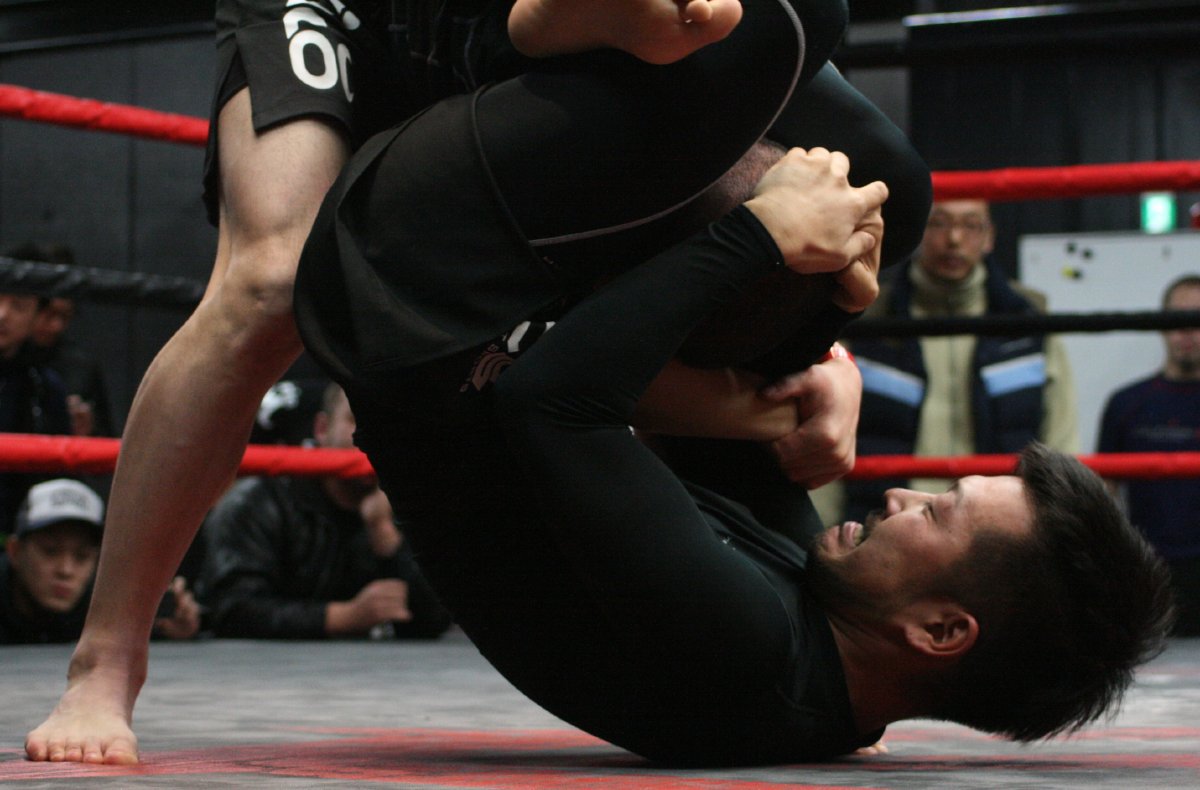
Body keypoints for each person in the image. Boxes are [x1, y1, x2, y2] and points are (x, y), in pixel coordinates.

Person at [28, 0, 931, 764]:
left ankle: (547, 34)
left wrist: (813, 363)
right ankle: (107, 660)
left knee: (883, 176)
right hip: (371, 15)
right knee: (271, 281)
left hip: (514, 91)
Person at [293, 135, 1172, 764]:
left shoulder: (749, 652)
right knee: (886, 189)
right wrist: (833, 358)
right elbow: (761, 408)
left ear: (938, 630)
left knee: (768, 63)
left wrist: (765, 233)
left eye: (937, 513)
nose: (899, 498)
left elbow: (553, 402)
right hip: (481, 322)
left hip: (406, 299)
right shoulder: (836, 649)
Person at [839, 198, 1079, 523]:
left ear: (989, 236)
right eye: (938, 223)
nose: (954, 239)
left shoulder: (1028, 321)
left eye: (970, 225)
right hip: (892, 519)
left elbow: (1062, 438)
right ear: (918, 231)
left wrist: (1053, 524)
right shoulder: (867, 320)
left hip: (996, 525)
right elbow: (832, 431)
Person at [198, 382, 451, 639]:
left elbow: (441, 617)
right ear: (322, 428)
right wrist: (343, 616)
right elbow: (230, 608)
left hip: (378, 664)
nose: (374, 434)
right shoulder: (262, 500)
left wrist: (385, 534)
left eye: (387, 425)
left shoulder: (407, 505)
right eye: (357, 419)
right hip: (262, 663)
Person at [1098, 274, 1200, 636]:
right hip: (1148, 572)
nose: (1187, 330)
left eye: (1197, 318)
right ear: (1160, 323)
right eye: (1177, 317)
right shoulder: (1127, 403)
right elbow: (1104, 493)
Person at [1, 479, 199, 644]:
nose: (66, 570)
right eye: (50, 551)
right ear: (15, 551)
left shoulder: (115, 605)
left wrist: (177, 634)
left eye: (82, 556)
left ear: (97, 560)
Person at [4, 241, 116, 438]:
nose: (55, 325)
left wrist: (85, 433)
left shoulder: (53, 379)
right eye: (50, 314)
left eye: (65, 316)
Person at [0, 279, 71, 537]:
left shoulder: (44, 385)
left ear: (37, 318)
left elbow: (58, 476)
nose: (2, 315)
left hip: (20, 533)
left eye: (18, 306)